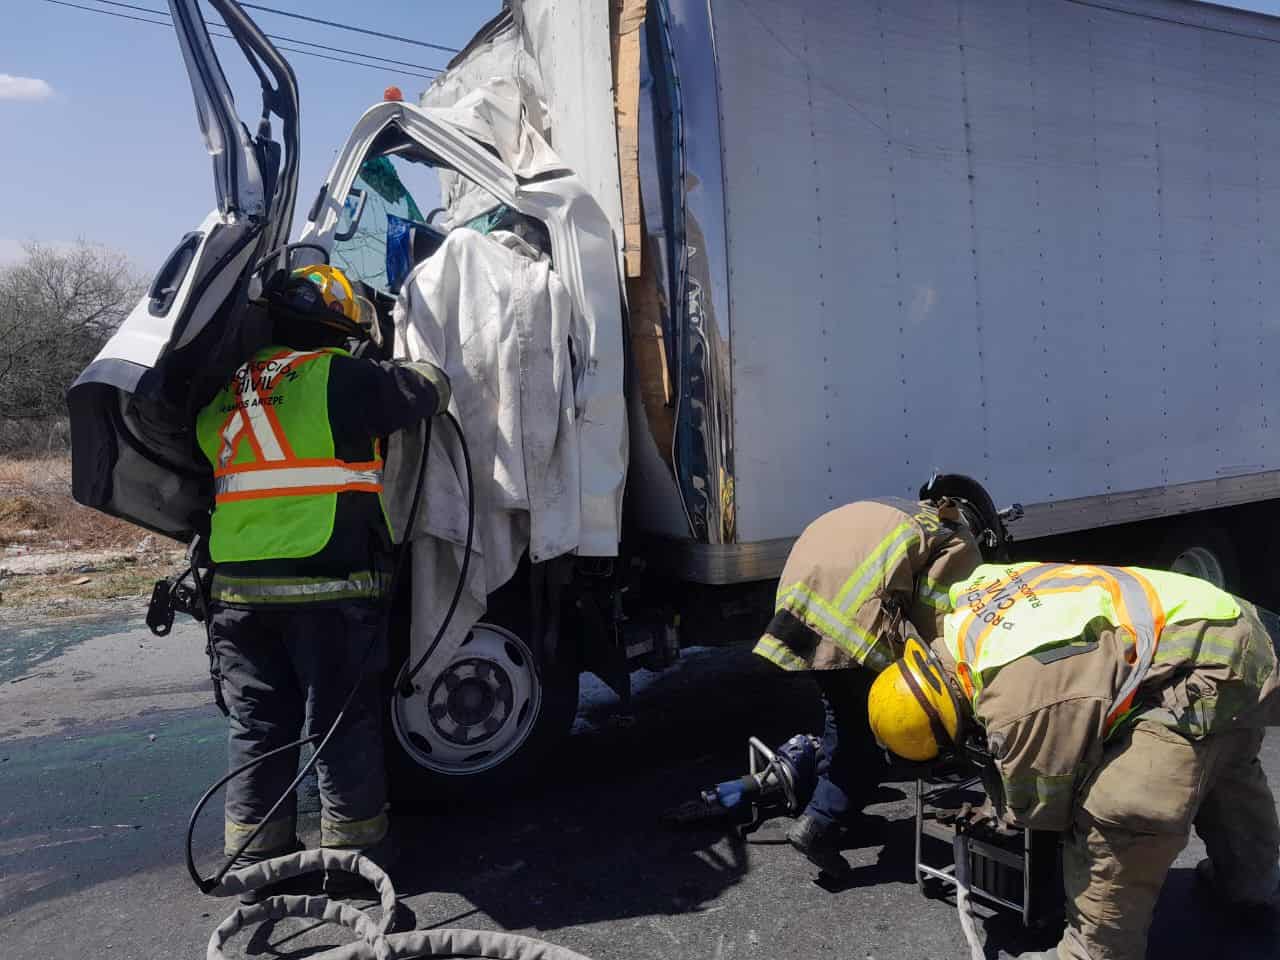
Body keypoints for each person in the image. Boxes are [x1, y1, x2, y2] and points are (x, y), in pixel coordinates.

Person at [868, 560, 1280, 960]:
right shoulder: (963, 613)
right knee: (1225, 760)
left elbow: (1043, 807)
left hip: (1206, 665)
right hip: (1217, 619)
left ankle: (1093, 953)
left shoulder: (1015, 707)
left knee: (1120, 810)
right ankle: (1250, 883)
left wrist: (1001, 794)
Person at [194, 264, 450, 898]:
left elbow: (212, 454)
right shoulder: (335, 374)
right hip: (325, 582)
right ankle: (352, 866)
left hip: (236, 590)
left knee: (259, 724)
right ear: (340, 327)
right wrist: (424, 366)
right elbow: (418, 394)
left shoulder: (227, 390)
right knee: (338, 725)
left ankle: (256, 864)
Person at [751, 476, 1005, 876]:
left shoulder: (905, 512)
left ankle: (839, 816)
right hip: (848, 619)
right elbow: (939, 621)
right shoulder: (956, 538)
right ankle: (820, 825)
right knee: (869, 741)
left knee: (840, 716)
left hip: (799, 599)